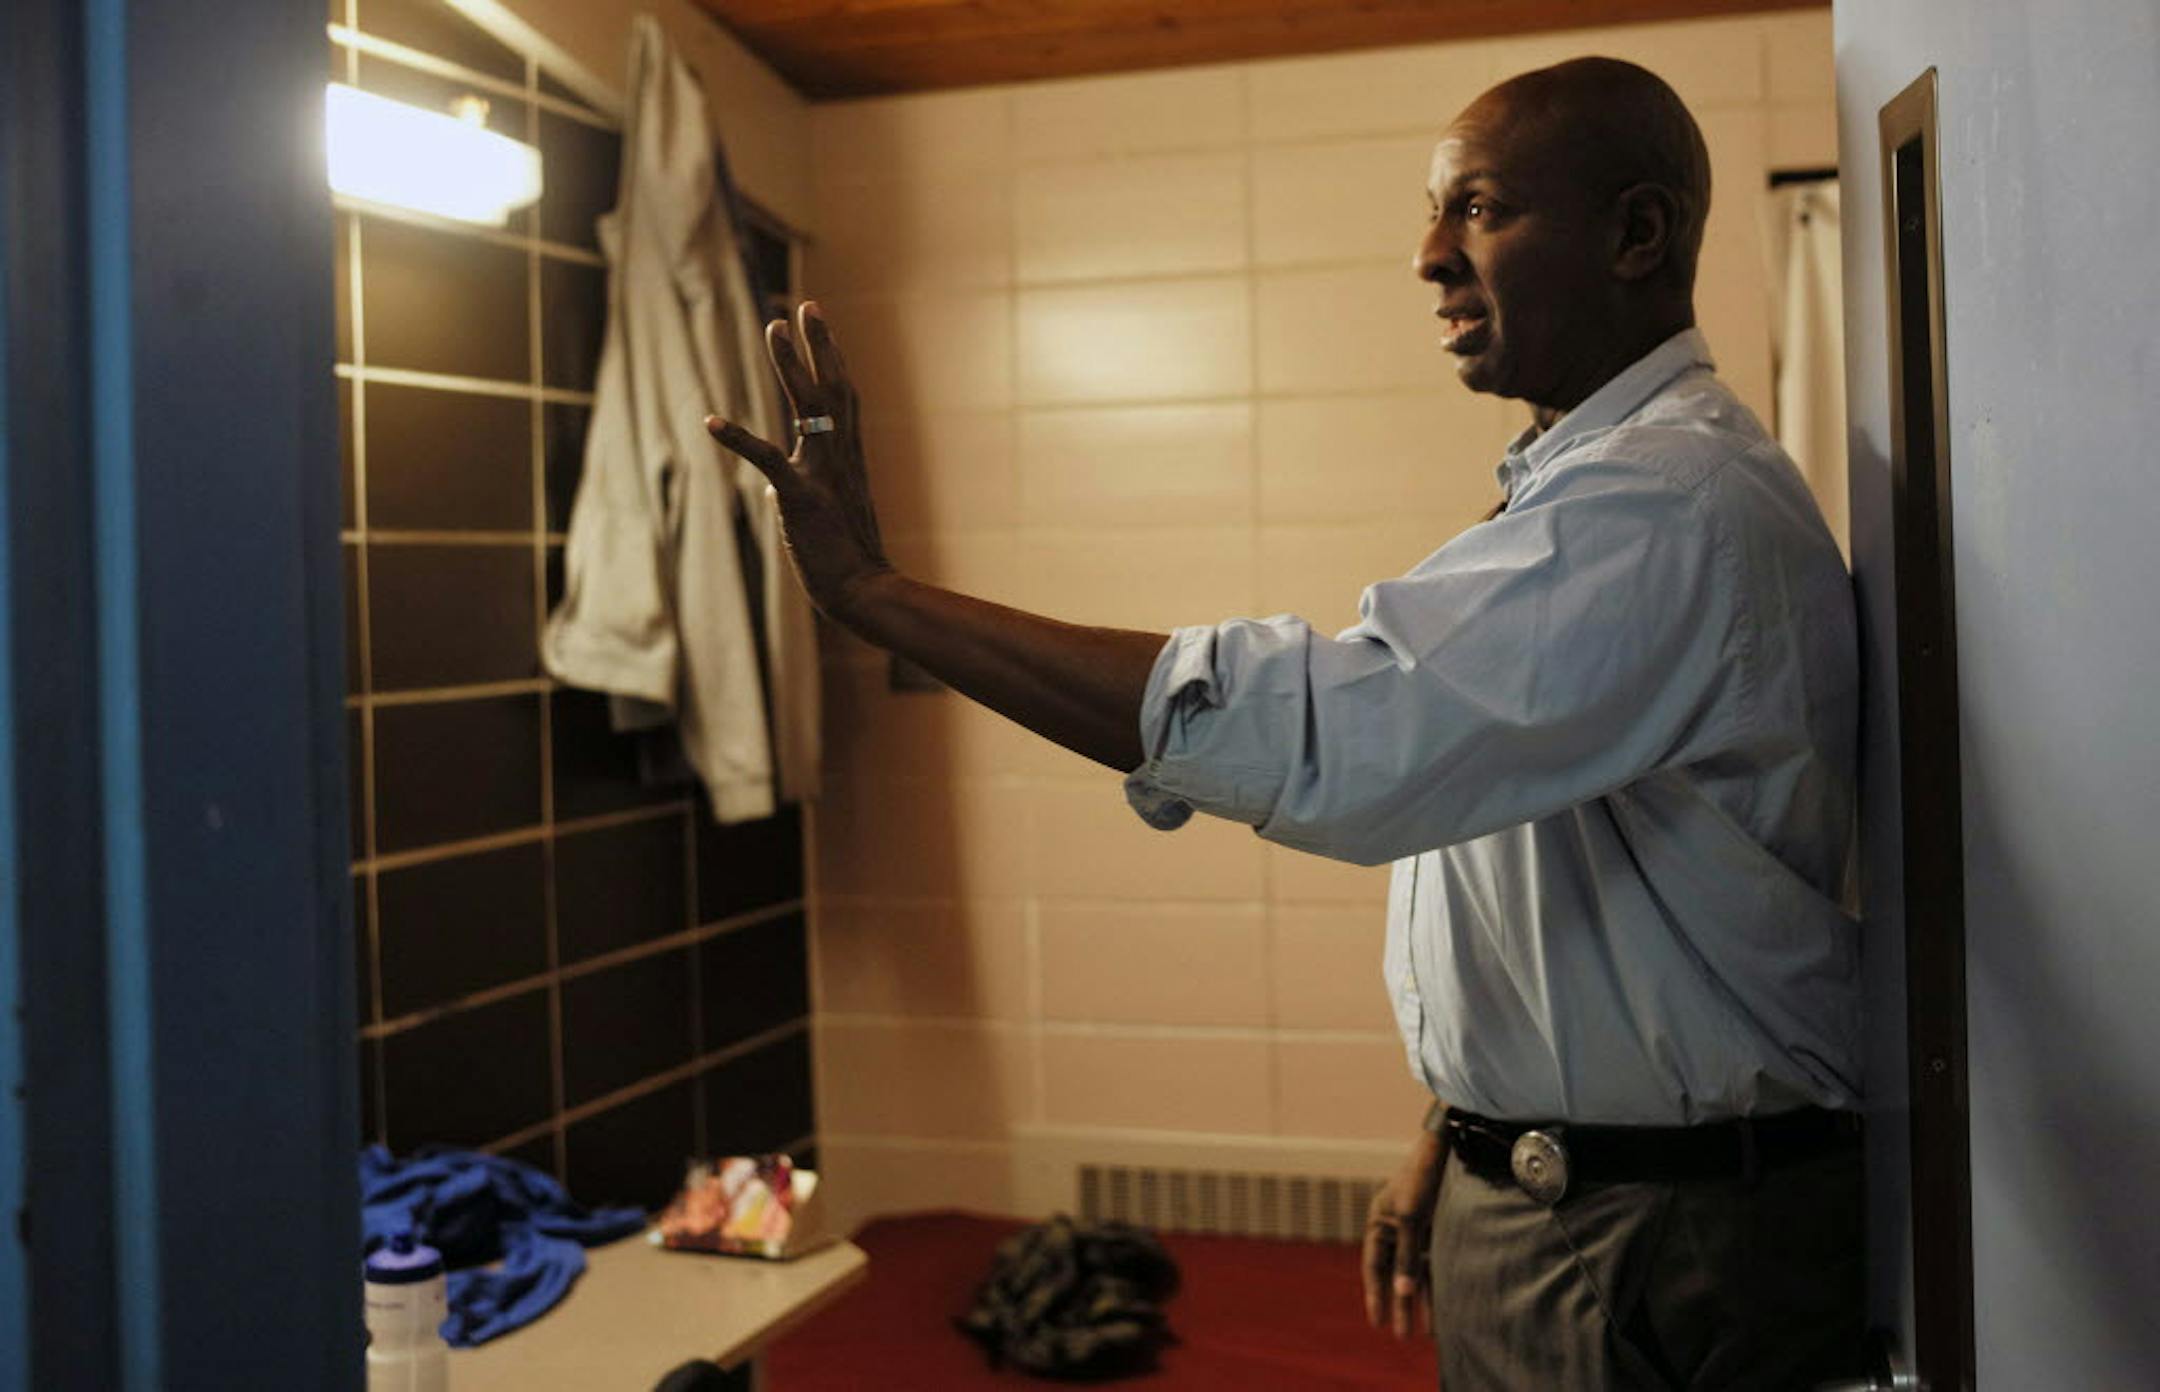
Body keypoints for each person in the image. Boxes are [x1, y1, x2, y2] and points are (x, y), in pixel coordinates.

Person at [708, 55, 1864, 1392]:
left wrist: (876, 596)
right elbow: (1563, 881)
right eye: (1432, 214)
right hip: (1576, 1192)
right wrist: (1463, 1126)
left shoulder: (1665, 506)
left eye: (1477, 210)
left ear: (1636, 234)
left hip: (1643, 1234)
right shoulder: (1602, 491)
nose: (1430, 257)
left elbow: (1331, 741)